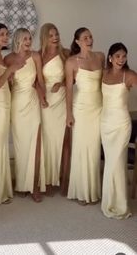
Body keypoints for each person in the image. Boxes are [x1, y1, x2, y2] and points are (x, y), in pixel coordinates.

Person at [5, 28, 46, 202]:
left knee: (35, 144)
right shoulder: (8, 59)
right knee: (21, 147)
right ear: (17, 40)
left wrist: (42, 96)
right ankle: (22, 183)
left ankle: (35, 186)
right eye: (25, 39)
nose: (28, 41)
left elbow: (40, 81)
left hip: (32, 103)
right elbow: (5, 84)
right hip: (16, 104)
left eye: (30, 38)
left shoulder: (36, 56)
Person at [0, 23, 23, 204]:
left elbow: (1, 83)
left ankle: (2, 189)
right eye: (2, 34)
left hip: (5, 103)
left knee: (1, 147)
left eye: (7, 34)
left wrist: (10, 77)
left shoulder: (0, 56)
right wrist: (9, 70)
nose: (6, 37)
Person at [65, 27, 104, 205]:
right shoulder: (72, 62)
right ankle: (81, 191)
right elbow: (68, 89)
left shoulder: (101, 57)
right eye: (85, 37)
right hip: (81, 109)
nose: (90, 39)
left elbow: (107, 81)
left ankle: (93, 190)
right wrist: (68, 114)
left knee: (95, 148)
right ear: (78, 41)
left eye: (91, 36)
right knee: (81, 148)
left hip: (98, 108)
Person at [101, 42, 137, 219]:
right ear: (110, 57)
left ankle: (121, 205)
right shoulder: (103, 74)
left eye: (124, 56)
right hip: (105, 124)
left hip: (122, 124)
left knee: (116, 162)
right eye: (117, 56)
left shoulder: (129, 75)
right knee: (112, 162)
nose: (121, 59)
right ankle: (109, 200)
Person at [39, 23, 70, 196]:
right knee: (47, 141)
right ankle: (49, 180)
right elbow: (36, 81)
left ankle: (64, 180)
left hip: (62, 100)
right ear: (44, 37)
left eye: (56, 34)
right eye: (50, 35)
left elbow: (74, 78)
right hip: (47, 104)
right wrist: (41, 96)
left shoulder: (65, 54)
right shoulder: (39, 55)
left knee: (64, 142)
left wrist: (62, 83)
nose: (55, 37)